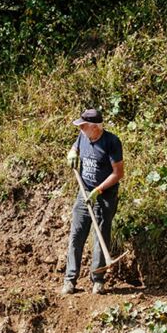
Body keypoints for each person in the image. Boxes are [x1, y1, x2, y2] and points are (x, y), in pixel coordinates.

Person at [62, 108, 124, 295]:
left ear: (95, 127)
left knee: (101, 236)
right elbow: (76, 146)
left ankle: (98, 280)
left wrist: (99, 190)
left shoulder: (111, 142)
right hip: (84, 191)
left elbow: (118, 173)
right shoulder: (83, 137)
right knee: (77, 235)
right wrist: (72, 152)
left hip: (104, 195)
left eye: (83, 126)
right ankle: (70, 279)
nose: (80, 128)